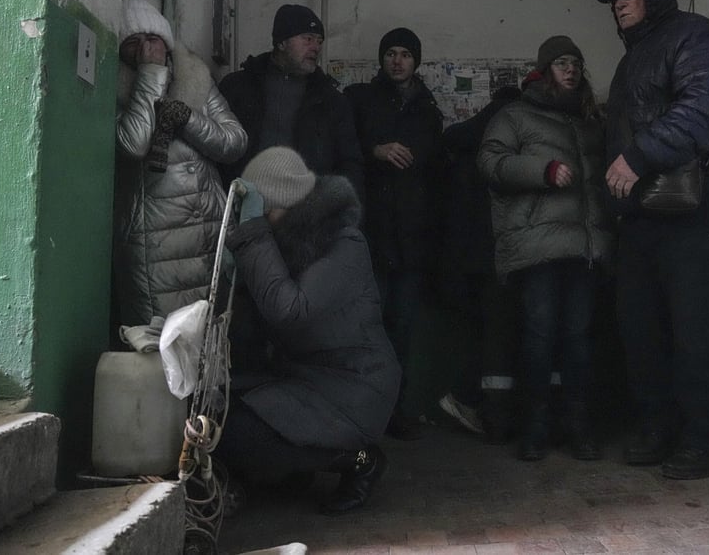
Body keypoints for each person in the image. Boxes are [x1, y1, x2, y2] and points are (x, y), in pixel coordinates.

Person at [595, 0, 709, 479]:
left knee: (697, 331)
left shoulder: (695, 38)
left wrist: (639, 155)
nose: (619, 4)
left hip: (693, 212)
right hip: (642, 218)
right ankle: (660, 428)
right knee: (642, 331)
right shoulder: (632, 58)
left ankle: (708, 439)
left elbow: (708, 107)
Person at [217, 147, 401, 514]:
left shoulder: (343, 242)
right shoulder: (286, 243)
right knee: (224, 420)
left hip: (355, 387)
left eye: (265, 209)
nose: (262, 219)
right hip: (307, 380)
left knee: (243, 437)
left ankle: (360, 459)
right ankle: (299, 463)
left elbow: (289, 310)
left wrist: (252, 237)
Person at [477, 36, 613, 461]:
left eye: (575, 63)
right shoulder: (515, 116)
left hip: (583, 247)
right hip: (537, 247)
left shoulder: (589, 121)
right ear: (543, 71)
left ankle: (577, 427)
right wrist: (543, 170)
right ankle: (534, 427)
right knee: (539, 337)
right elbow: (489, 161)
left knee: (578, 339)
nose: (570, 70)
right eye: (561, 64)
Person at [112, 0, 248, 328]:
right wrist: (150, 75)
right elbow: (134, 143)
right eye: (134, 41)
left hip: (207, 231)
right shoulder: (113, 87)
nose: (146, 48)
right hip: (154, 242)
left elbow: (234, 142)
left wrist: (188, 118)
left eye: (152, 38)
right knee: (161, 344)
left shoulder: (195, 78)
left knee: (212, 335)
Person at [343, 27, 443, 440]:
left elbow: (435, 171)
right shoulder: (361, 101)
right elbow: (344, 148)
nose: (397, 61)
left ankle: (395, 412)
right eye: (391, 54)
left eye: (405, 54)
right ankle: (365, 413)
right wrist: (376, 151)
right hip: (372, 233)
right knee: (367, 329)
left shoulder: (427, 110)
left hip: (411, 240)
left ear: (416, 61)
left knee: (401, 330)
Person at [436, 85, 521, 441]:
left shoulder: (463, 138)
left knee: (476, 334)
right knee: (499, 336)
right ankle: (495, 419)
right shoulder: (508, 140)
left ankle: (468, 399)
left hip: (460, 257)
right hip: (495, 253)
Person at [216, 4, 363, 200]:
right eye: (307, 39)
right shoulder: (238, 87)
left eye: (319, 41)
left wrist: (337, 210)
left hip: (304, 212)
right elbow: (215, 147)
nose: (315, 48)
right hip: (241, 204)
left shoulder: (331, 99)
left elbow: (349, 162)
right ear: (281, 43)